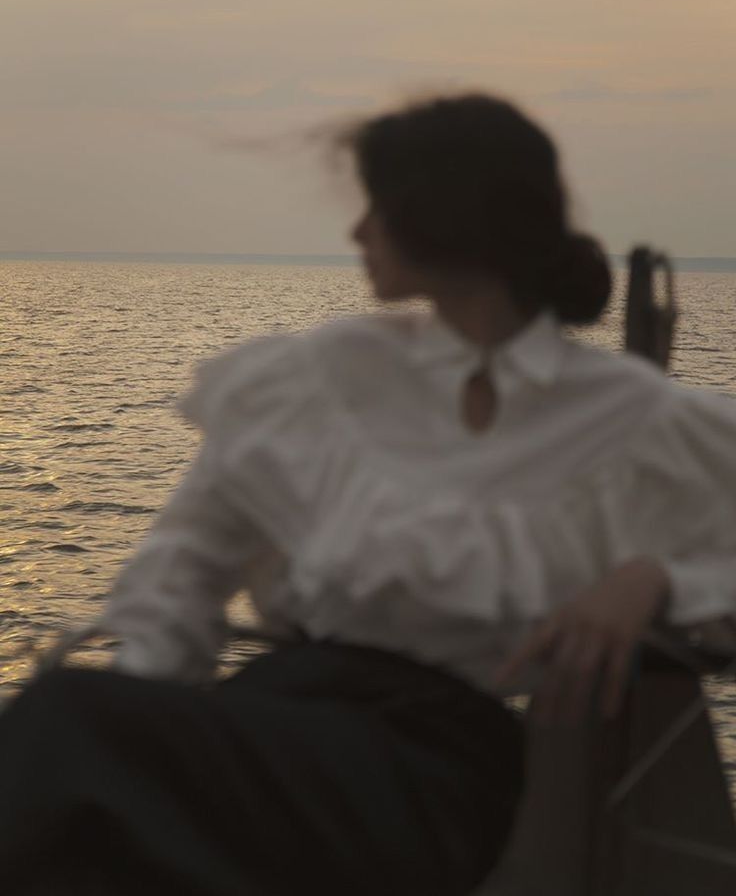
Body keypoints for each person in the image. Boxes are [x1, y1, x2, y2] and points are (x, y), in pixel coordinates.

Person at [1, 92, 735, 896]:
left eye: (375, 206)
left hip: (436, 766)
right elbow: (184, 566)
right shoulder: (321, 376)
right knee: (75, 752)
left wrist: (653, 578)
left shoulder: (628, 412)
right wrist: (144, 717)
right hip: (281, 710)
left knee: (66, 720)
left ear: (445, 216)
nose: (356, 233)